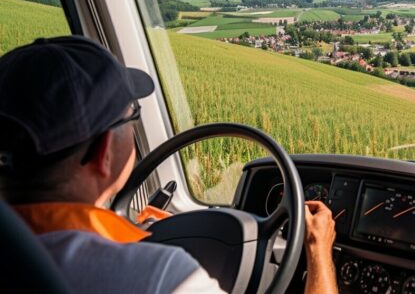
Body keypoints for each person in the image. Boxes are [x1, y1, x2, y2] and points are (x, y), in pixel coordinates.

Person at [0, 35, 338, 294]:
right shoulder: (159, 277)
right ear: (104, 151)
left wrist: (130, 227)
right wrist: (317, 249)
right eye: (132, 115)